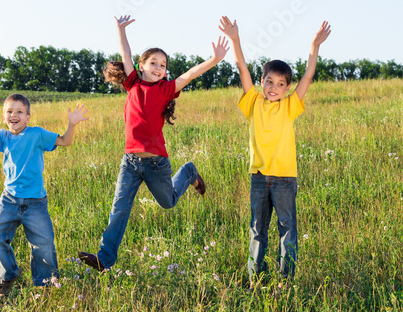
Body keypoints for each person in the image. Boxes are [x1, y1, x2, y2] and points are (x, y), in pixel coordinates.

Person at [78, 16, 229, 271]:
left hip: (157, 164)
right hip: (130, 162)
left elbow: (190, 74)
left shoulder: (167, 89)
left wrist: (213, 60)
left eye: (163, 65)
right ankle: (104, 260)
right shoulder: (133, 83)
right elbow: (125, 52)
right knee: (119, 210)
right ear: (141, 66)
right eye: (153, 63)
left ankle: (189, 171)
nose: (159, 67)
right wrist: (120, 29)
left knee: (168, 202)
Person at [219, 16, 331, 291]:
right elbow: (242, 69)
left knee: (287, 230)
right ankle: (255, 279)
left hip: (283, 179)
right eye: (269, 82)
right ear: (262, 82)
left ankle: (286, 281)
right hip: (259, 177)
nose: (273, 88)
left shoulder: (290, 105)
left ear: (287, 88)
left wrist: (314, 45)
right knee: (258, 229)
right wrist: (235, 39)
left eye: (281, 84)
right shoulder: (254, 102)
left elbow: (307, 76)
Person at [0, 91, 89, 297]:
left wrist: (72, 124)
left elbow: (65, 141)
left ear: (28, 117)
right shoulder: (2, 136)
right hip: (9, 200)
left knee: (44, 243)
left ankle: (45, 286)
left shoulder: (37, 134)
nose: (14, 115)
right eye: (10, 111)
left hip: (35, 203)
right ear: (4, 117)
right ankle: (8, 274)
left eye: (20, 112)